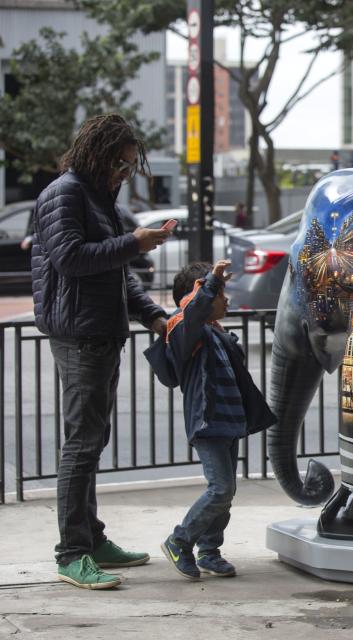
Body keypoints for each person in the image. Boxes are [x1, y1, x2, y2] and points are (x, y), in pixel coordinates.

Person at [32, 113, 173, 589]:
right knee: (81, 447)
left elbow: (116, 275)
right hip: (79, 335)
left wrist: (153, 314)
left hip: (100, 332)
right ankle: (72, 552)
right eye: (120, 163)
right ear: (97, 153)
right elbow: (71, 260)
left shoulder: (97, 197)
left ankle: (91, 539)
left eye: (131, 166)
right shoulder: (66, 193)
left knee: (91, 444)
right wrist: (133, 242)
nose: (124, 173)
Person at [155, 259, 276, 580]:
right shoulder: (184, 330)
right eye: (221, 294)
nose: (227, 300)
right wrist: (210, 283)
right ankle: (179, 540)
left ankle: (209, 550)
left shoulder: (215, 333)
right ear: (199, 297)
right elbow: (193, 311)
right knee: (220, 489)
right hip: (208, 423)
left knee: (226, 492)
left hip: (229, 422)